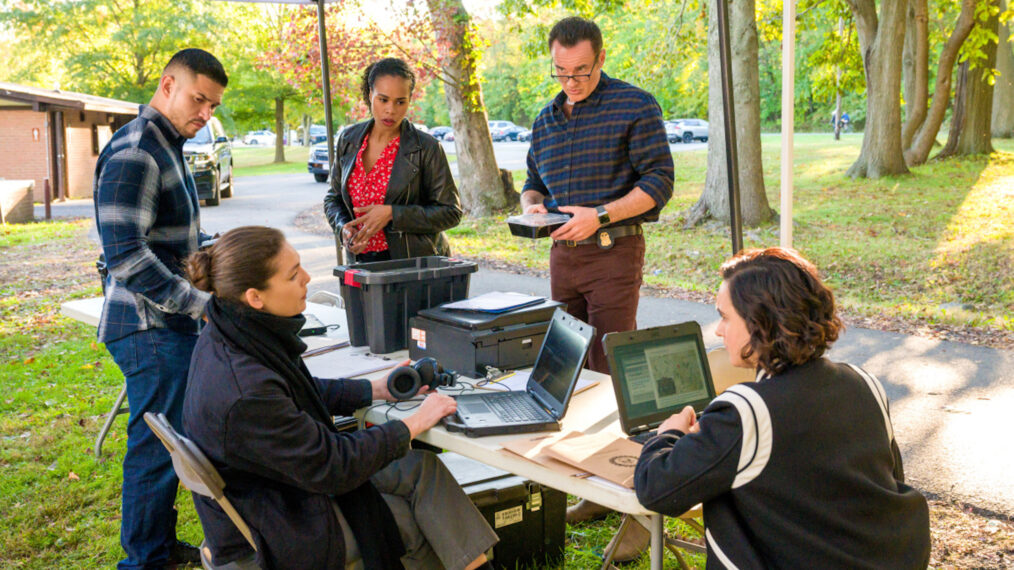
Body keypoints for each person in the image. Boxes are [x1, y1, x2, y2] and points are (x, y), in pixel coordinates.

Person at [181, 226, 498, 570]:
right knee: (414, 521)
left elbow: (292, 393)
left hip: (284, 488)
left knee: (423, 468)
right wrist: (412, 424)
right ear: (255, 296)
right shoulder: (245, 390)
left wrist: (374, 389)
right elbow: (334, 465)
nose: (306, 278)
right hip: (282, 525)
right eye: (292, 275)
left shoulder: (233, 331)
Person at [634, 248, 931, 568]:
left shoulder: (746, 412)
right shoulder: (865, 383)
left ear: (759, 323)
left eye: (724, 316)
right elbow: (884, 481)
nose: (719, 330)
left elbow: (656, 489)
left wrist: (669, 434)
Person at [520, 16, 674, 556]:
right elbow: (532, 181)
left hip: (613, 252)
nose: (572, 82)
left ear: (601, 59)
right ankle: (593, 481)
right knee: (572, 373)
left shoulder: (636, 105)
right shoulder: (545, 117)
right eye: (561, 72)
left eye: (581, 71)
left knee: (615, 375)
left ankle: (637, 501)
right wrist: (532, 206)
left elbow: (659, 183)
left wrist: (601, 215)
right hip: (563, 255)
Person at [93, 48, 227, 569]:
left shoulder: (168, 145)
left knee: (169, 446)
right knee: (155, 451)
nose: (205, 114)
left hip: (163, 322)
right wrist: (201, 306)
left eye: (213, 106)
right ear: (168, 85)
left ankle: (159, 547)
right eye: (199, 99)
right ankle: (143, 561)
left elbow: (169, 241)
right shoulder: (137, 150)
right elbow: (126, 256)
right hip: (148, 326)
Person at [324, 57, 461, 263]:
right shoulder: (348, 140)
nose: (391, 110)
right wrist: (344, 228)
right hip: (361, 266)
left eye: (400, 102)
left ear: (409, 100)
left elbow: (451, 212)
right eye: (383, 99)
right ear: (370, 95)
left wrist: (393, 214)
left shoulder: (426, 148)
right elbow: (333, 199)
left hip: (414, 266)